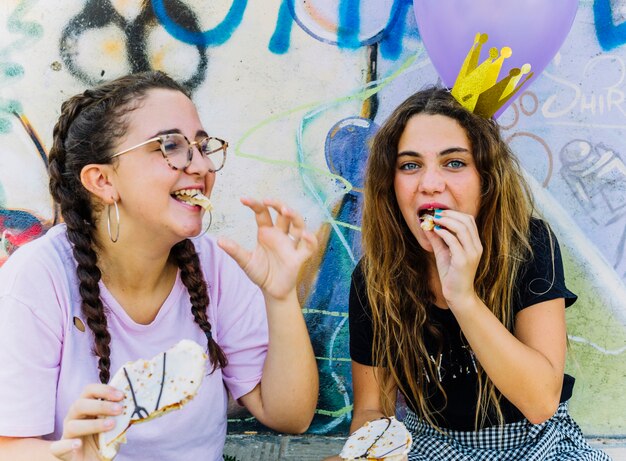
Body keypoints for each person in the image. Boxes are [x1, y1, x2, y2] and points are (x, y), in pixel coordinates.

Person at [0, 71, 319, 461]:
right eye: (170, 145)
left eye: (202, 146)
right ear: (102, 180)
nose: (200, 165)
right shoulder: (37, 279)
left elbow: (291, 415)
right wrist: (70, 456)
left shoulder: (215, 265)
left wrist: (281, 296)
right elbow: (9, 448)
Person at [327, 87, 610, 460]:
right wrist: (368, 452)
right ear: (391, 185)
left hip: (537, 444)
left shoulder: (528, 245)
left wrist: (463, 297)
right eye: (410, 165)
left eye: (454, 163)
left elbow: (540, 401)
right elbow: (371, 409)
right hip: (429, 447)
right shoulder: (375, 277)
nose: (429, 183)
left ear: (485, 179)